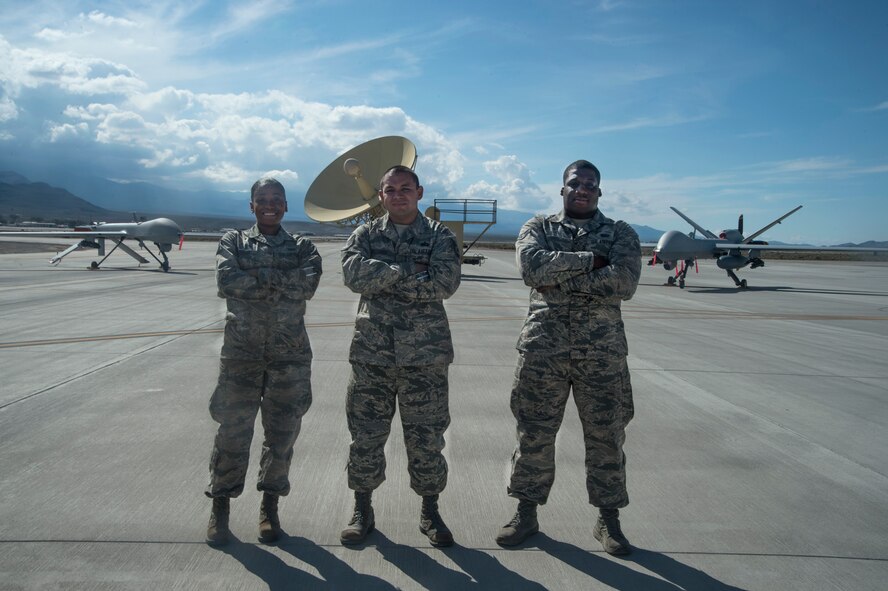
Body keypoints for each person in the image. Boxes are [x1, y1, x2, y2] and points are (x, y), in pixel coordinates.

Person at [496, 160, 641, 555]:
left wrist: (557, 278)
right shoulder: (537, 228)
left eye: (590, 184)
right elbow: (531, 268)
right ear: (562, 188)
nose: (583, 189)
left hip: (602, 353)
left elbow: (625, 282)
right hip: (544, 349)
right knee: (534, 433)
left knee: (607, 435)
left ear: (599, 191)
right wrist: (591, 262)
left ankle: (608, 520)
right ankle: (526, 513)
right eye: (575, 183)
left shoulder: (620, 232)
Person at [339, 165, 462, 547]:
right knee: (365, 437)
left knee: (426, 439)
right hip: (372, 355)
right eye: (390, 189)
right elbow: (353, 275)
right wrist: (412, 271)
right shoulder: (365, 234)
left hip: (424, 358)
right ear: (381, 196)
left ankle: (430, 510)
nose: (398, 195)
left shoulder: (440, 235)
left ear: (419, 192)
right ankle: (362, 508)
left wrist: (384, 276)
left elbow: (445, 283)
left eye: (405, 189)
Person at [204, 177, 322, 546]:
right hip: (241, 355)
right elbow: (227, 281)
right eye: (262, 199)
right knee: (232, 433)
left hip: (289, 357)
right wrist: (280, 279)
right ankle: (219, 507)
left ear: (286, 206)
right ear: (251, 205)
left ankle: (269, 508)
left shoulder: (304, 246)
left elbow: (307, 286)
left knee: (282, 436)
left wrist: (256, 277)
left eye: (276, 199)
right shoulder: (232, 241)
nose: (269, 204)